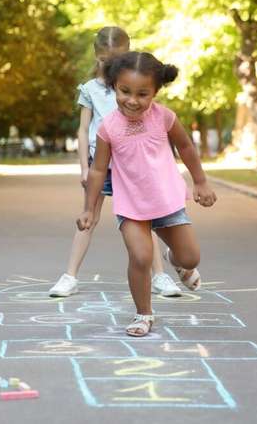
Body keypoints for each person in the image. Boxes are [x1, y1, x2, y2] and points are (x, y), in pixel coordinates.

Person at [77, 51, 217, 337]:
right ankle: (143, 314)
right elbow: (97, 170)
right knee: (140, 257)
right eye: (125, 91)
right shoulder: (108, 128)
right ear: (115, 85)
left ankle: (177, 262)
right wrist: (89, 208)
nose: (132, 100)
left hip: (166, 201)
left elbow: (186, 147)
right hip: (131, 206)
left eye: (143, 94)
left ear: (155, 91)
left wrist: (200, 181)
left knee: (190, 258)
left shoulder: (164, 117)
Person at [49, 27, 181, 298]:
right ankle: (69, 276)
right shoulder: (89, 90)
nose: (110, 67)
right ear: (97, 57)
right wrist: (84, 167)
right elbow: (83, 130)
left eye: (116, 61)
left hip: (132, 164)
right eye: (105, 61)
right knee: (89, 217)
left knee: (145, 220)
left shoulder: (133, 87)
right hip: (101, 163)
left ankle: (160, 276)